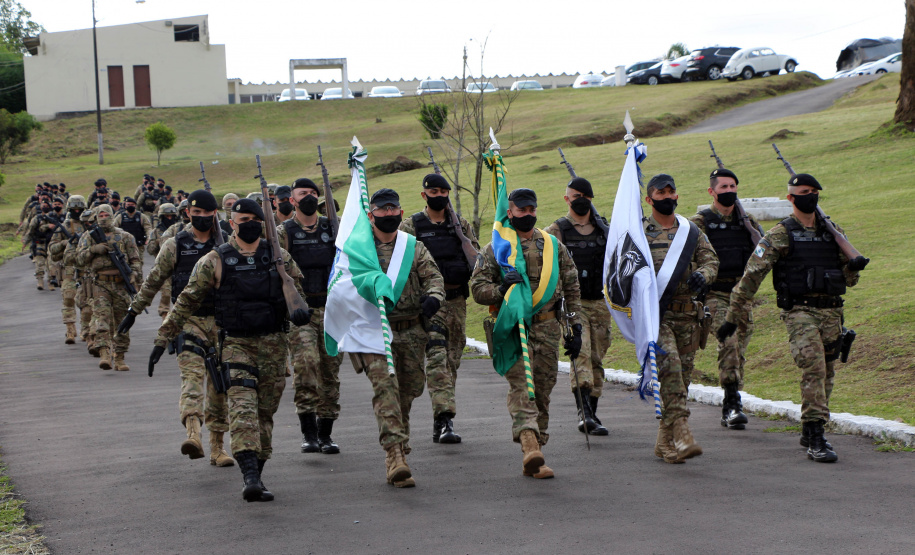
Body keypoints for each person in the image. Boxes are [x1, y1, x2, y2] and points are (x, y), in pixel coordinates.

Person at [149, 198, 311, 502]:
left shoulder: (279, 257)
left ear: (261, 222)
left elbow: (298, 297)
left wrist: (301, 312)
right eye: (240, 218)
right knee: (242, 408)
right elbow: (186, 300)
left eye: (252, 218)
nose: (246, 223)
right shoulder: (215, 259)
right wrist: (163, 338)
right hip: (236, 345)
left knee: (265, 413)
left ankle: (258, 472)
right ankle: (249, 476)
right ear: (230, 222)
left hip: (273, 345)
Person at [719, 173, 863, 463]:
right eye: (804, 192)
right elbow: (752, 276)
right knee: (814, 368)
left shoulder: (831, 231)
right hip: (799, 312)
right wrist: (733, 317)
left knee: (828, 374)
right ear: (791, 198)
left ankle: (811, 428)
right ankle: (816, 433)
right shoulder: (780, 234)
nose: (810, 196)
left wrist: (851, 264)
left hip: (832, 312)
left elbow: (851, 280)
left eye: (813, 191)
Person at [470, 188, 582, 479]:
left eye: (532, 209)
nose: (528, 214)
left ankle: (537, 452)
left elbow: (571, 287)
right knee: (523, 386)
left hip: (547, 327)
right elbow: (478, 290)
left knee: (542, 390)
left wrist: (575, 326)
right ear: (510, 213)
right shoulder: (496, 248)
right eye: (521, 210)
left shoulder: (553, 246)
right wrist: (501, 288)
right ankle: (529, 445)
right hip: (512, 327)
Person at [119, 190, 234, 467]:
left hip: (222, 323)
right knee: (192, 378)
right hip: (187, 320)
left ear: (215, 215)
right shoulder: (175, 244)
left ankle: (218, 448)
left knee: (220, 387)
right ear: (188, 214)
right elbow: (154, 280)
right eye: (197, 215)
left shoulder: (227, 243)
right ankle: (193, 435)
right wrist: (134, 311)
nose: (203, 219)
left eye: (208, 214)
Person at [347, 188, 444, 488]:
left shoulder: (413, 247)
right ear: (371, 213)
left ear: (401, 213)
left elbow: (434, 277)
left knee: (407, 393)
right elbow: (344, 286)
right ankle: (395, 456)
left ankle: (401, 446)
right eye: (382, 209)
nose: (388, 214)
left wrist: (435, 297)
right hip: (375, 333)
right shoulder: (359, 249)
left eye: (393, 209)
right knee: (386, 392)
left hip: (412, 331)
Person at [641, 174, 718, 464]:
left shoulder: (691, 231)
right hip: (656, 315)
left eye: (671, 191)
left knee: (681, 380)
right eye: (660, 193)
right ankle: (683, 432)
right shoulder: (640, 232)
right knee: (670, 367)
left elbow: (712, 261)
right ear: (649, 199)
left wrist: (704, 275)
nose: (667, 196)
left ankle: (665, 442)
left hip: (688, 316)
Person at [399, 173, 480, 444]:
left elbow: (476, 259)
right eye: (433, 191)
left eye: (444, 191)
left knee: (452, 361)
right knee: (437, 360)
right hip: (429, 305)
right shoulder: (411, 225)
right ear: (424, 195)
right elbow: (401, 266)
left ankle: (439, 418)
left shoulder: (461, 225)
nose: (439, 196)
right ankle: (446, 420)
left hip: (457, 302)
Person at [689, 168, 763, 430]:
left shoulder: (748, 221)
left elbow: (762, 254)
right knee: (729, 344)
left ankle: (730, 400)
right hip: (715, 295)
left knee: (739, 352)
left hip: (741, 296)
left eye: (733, 187)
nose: (729, 192)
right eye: (724, 188)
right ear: (712, 191)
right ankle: (733, 404)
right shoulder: (700, 222)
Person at [277, 178, 344, 454]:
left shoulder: (334, 227)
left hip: (333, 310)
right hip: (302, 312)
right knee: (305, 367)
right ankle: (308, 433)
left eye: (313, 193)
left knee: (330, 373)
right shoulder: (285, 231)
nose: (309, 197)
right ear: (291, 200)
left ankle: (326, 432)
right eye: (303, 193)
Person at [544, 177, 611, 436]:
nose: (580, 200)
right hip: (573, 302)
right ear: (566, 199)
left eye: (585, 195)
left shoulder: (605, 229)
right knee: (580, 352)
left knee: (596, 357)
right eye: (575, 195)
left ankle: (593, 410)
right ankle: (583, 412)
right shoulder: (557, 230)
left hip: (601, 302)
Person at [76, 204, 142, 371]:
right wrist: (93, 250)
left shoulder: (125, 237)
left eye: (107, 214)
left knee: (122, 322)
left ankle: (119, 357)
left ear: (112, 215)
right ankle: (105, 352)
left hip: (121, 284)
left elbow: (135, 260)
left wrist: (134, 275)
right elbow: (79, 259)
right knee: (102, 318)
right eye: (101, 215)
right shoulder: (89, 237)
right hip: (100, 284)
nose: (104, 218)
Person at [48, 195, 88, 344]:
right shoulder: (63, 227)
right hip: (68, 269)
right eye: (74, 209)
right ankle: (70, 330)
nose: (77, 211)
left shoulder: (89, 225)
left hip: (85, 269)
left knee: (86, 301)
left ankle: (86, 330)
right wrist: (65, 243)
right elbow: (52, 249)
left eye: (79, 209)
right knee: (68, 299)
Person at [148, 203, 180, 318]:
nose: (169, 218)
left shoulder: (178, 229)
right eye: (167, 216)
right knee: (166, 294)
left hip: (178, 267)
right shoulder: (156, 232)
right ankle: (165, 319)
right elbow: (150, 250)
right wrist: (158, 242)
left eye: (171, 216)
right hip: (164, 268)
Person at [114, 197, 153, 271]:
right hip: (124, 246)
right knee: (124, 265)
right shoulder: (120, 217)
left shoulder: (141, 216)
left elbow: (148, 228)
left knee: (138, 265)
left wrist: (149, 238)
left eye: (132, 204)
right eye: (128, 204)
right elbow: (114, 228)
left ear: (135, 205)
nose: (130, 206)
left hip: (138, 246)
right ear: (125, 205)